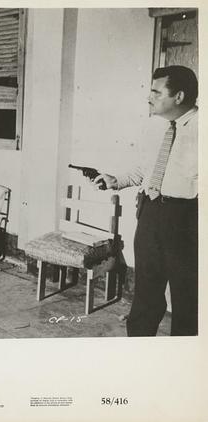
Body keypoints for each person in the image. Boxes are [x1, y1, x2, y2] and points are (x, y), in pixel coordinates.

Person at [94, 65, 198, 336]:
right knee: (146, 293)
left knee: (187, 298)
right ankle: (139, 351)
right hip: (150, 213)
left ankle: (184, 356)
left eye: (156, 92)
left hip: (186, 220)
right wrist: (116, 180)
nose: (149, 97)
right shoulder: (156, 128)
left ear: (178, 96)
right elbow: (144, 170)